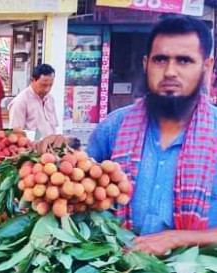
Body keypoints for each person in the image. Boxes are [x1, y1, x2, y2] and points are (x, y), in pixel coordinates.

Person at [86, 15, 217, 255]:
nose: (169, 72)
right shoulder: (114, 127)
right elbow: (81, 195)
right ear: (146, 64)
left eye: (184, 61)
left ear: (206, 67)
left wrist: (178, 239)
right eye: (160, 60)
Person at [8, 63, 59, 139]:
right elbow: (16, 133)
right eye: (44, 85)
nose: (47, 89)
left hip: (51, 148)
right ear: (32, 80)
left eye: (50, 85)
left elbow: (53, 127)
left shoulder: (50, 99)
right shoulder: (20, 101)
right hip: (32, 149)